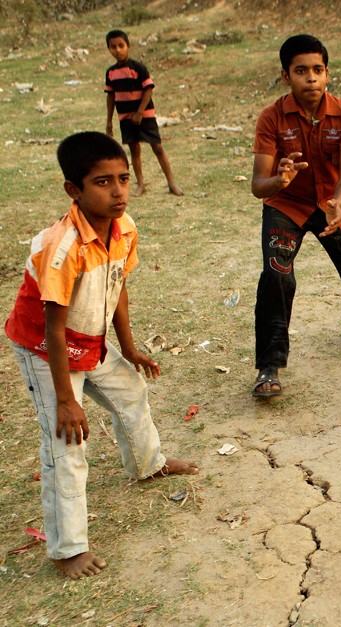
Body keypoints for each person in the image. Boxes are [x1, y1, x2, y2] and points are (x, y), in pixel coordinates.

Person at [5, 132, 199, 579]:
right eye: (102, 182)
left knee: (131, 389)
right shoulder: (63, 247)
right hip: (46, 347)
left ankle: (148, 466)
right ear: (74, 190)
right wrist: (67, 399)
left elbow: (118, 286)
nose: (117, 191)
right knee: (66, 442)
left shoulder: (124, 227)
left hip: (89, 338)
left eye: (124, 179)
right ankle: (68, 548)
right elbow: (53, 328)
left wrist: (127, 347)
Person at [251, 34, 341, 399]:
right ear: (286, 76)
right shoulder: (270, 118)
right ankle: (269, 367)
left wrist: (339, 204)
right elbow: (258, 185)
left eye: (317, 70)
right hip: (286, 207)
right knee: (277, 278)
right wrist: (278, 180)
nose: (310, 78)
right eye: (301, 71)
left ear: (327, 73)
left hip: (331, 205)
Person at [104, 29, 183, 197]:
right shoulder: (110, 73)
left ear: (128, 46)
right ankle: (140, 184)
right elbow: (111, 96)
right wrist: (109, 121)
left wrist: (140, 112)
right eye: (113, 47)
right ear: (109, 49)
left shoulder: (138, 68)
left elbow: (148, 90)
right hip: (125, 117)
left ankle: (171, 183)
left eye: (121, 46)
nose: (118, 50)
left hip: (144, 115)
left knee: (158, 147)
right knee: (134, 150)